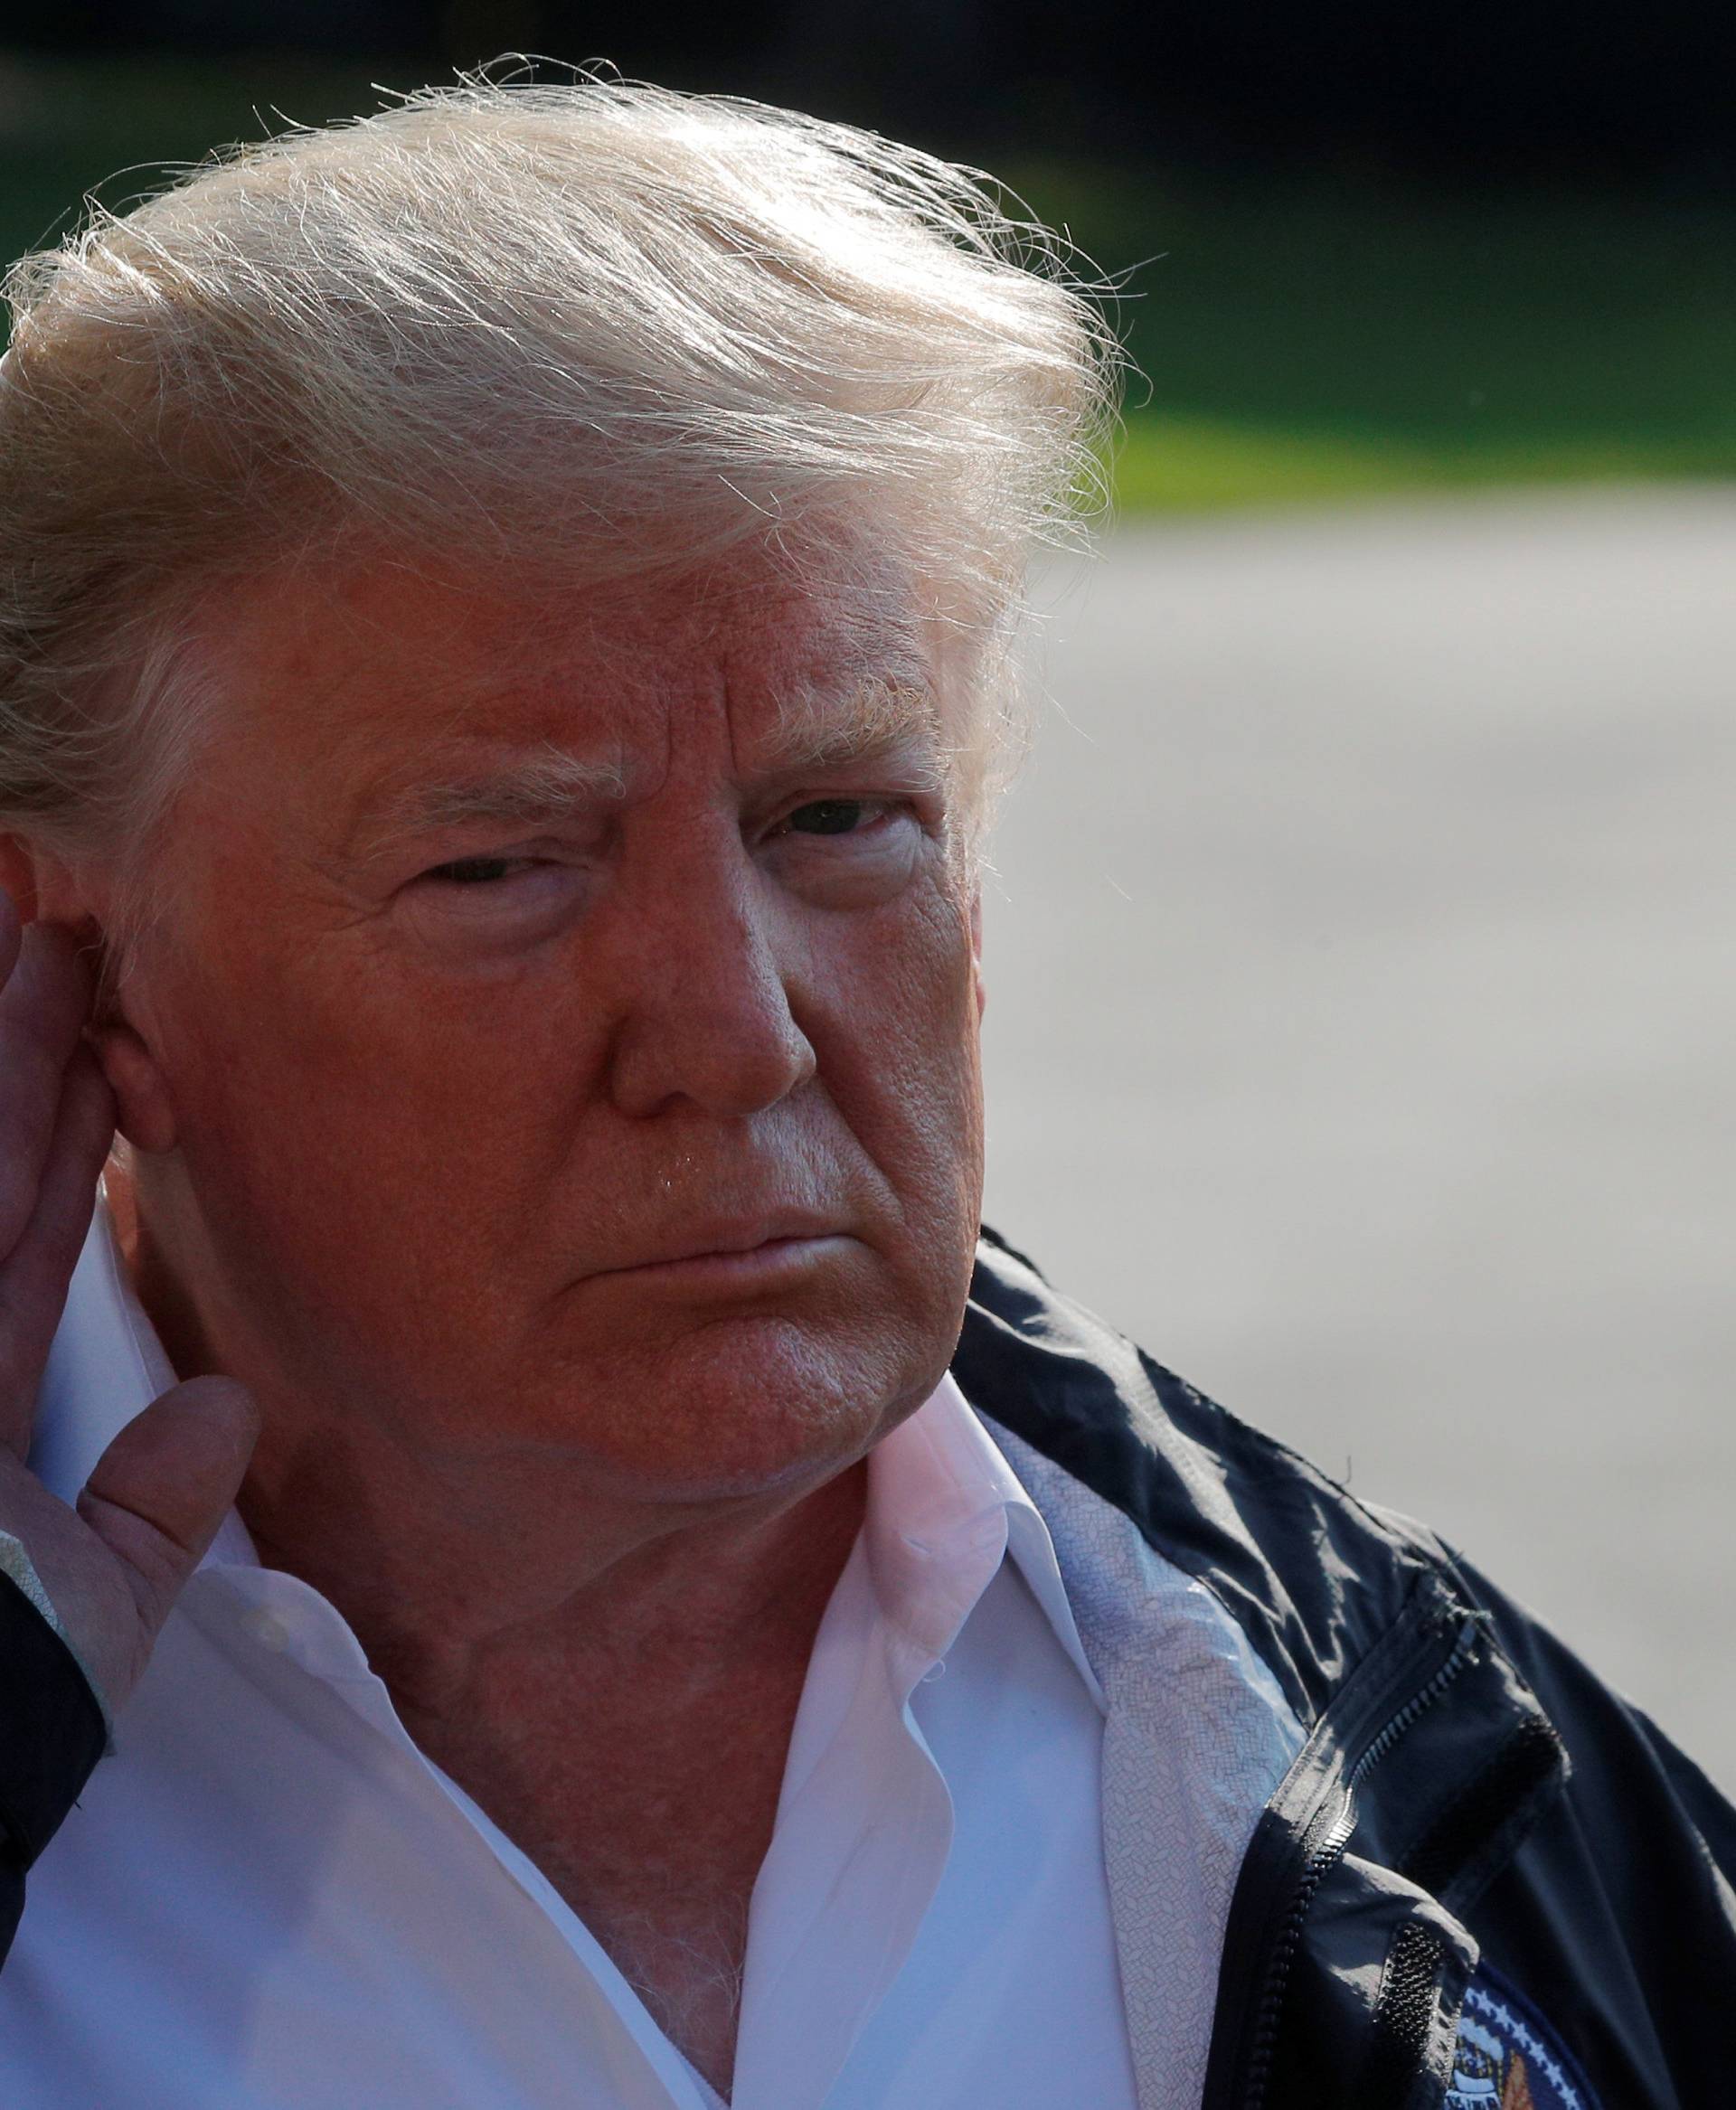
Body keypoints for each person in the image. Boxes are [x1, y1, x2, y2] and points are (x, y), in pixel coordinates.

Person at [0, 76, 1728, 2110]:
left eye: (838, 818)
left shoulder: (1440, 1779)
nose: (738, 1034)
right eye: (502, 865)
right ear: (78, 963)